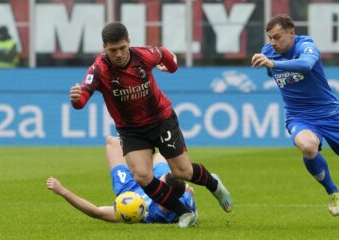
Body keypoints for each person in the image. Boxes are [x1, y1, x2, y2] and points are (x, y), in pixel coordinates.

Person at [69, 22, 232, 228]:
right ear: (104, 48)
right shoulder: (99, 69)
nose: (118, 54)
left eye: (122, 48)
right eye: (112, 50)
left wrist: (171, 67)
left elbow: (167, 56)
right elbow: (82, 98)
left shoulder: (144, 55)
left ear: (128, 42)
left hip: (161, 120)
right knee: (142, 176)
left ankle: (214, 184)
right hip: (131, 130)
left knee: (183, 172)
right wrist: (76, 99)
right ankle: (185, 214)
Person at [251, 14, 339, 227]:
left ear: (292, 33)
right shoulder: (268, 52)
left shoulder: (306, 45)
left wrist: (273, 63)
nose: (272, 42)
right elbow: (278, 76)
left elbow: (307, 65)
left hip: (331, 116)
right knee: (308, 147)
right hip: (299, 116)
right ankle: (333, 191)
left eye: (277, 37)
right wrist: (270, 61)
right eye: (270, 37)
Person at [46, 136, 196, 224]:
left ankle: (142, 154)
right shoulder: (184, 198)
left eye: (160, 181)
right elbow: (189, 198)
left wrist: (62, 191)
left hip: (129, 188)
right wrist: (188, 191)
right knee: (162, 155)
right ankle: (145, 152)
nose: (158, 179)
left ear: (164, 192)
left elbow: (96, 212)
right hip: (155, 186)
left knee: (112, 141)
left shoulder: (142, 213)